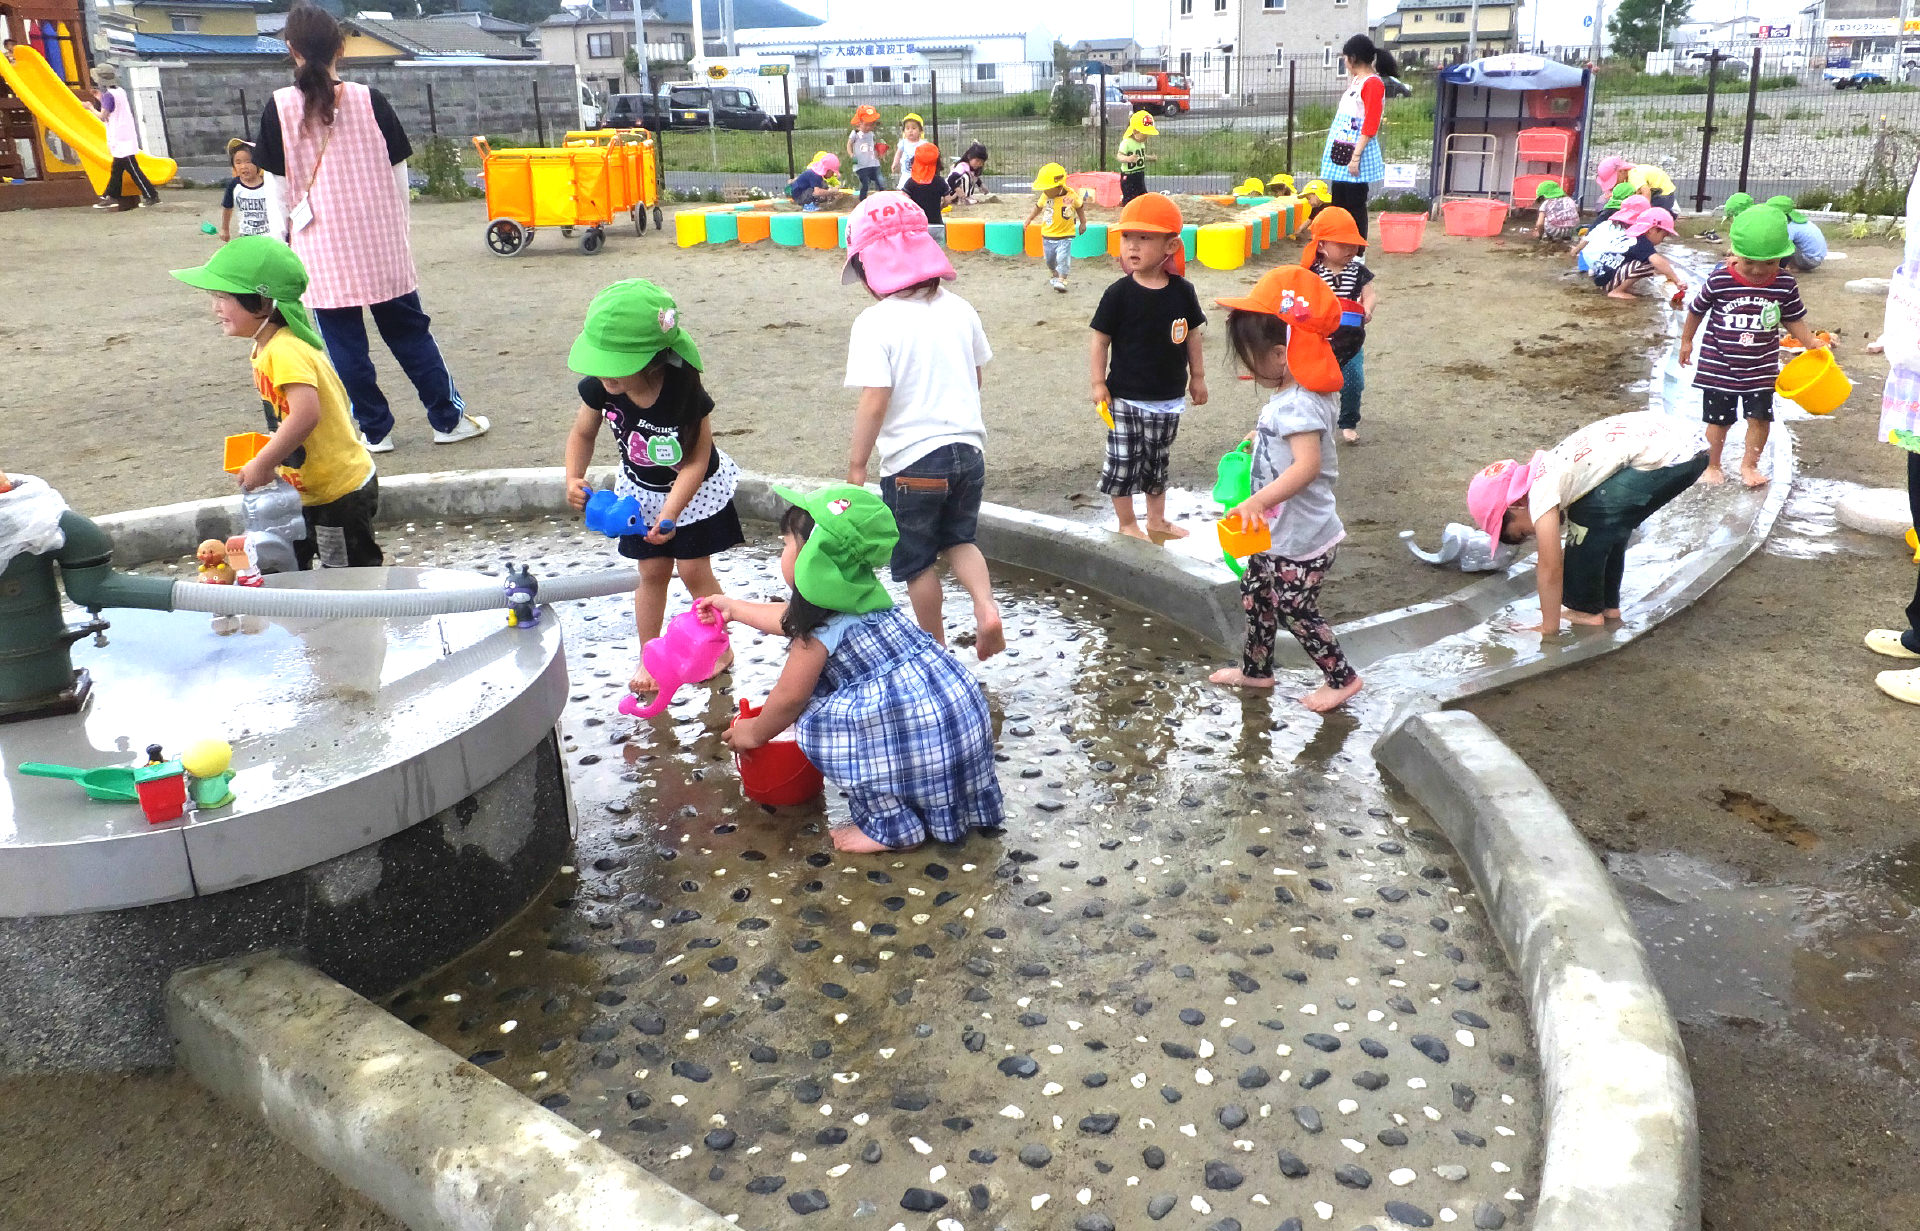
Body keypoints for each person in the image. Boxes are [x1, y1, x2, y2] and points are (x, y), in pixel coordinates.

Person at [706, 485, 1005, 853]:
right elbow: (788, 618)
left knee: (817, 721)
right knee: (896, 731)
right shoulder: (858, 592)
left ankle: (892, 827)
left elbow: (789, 697)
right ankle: (948, 808)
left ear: (813, 557)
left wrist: (754, 732)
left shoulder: (818, 627)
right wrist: (734, 607)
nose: (782, 553)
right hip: (959, 722)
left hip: (917, 733)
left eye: (786, 544)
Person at [252, 4, 485, 453]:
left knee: (343, 344)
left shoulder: (278, 109)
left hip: (319, 246)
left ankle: (374, 431)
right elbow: (399, 178)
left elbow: (276, 190)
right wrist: (399, 229)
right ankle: (447, 419)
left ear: (290, 49)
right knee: (411, 332)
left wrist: (283, 240)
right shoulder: (369, 99)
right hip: (380, 242)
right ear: (342, 46)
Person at [842, 191, 1004, 660]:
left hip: (912, 463)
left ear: (872, 269)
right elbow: (976, 378)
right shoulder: (960, 308)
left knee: (915, 563)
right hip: (969, 453)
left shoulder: (875, 323)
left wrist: (856, 466)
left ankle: (934, 649)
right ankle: (986, 607)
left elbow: (875, 400)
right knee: (960, 540)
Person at [564, 280, 743, 699]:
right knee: (652, 571)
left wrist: (671, 515)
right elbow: (581, 434)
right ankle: (649, 653)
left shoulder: (685, 392)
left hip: (693, 494)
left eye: (616, 361)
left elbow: (696, 461)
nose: (604, 371)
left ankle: (721, 646)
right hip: (640, 489)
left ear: (651, 359)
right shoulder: (600, 389)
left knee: (693, 569)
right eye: (600, 359)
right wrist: (574, 475)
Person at [171, 237, 381, 569]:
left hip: (337, 494)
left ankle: (358, 619)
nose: (215, 307)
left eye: (223, 297)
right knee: (294, 568)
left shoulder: (285, 350)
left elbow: (306, 415)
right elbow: (288, 416)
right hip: (310, 488)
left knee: (347, 577)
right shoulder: (265, 346)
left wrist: (264, 463)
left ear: (264, 303)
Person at [1208, 266, 1362, 713]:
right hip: (1276, 533)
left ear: (1280, 354)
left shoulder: (1297, 404)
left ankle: (1342, 678)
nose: (1244, 364)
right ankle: (1257, 671)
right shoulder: (1300, 397)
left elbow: (1308, 465)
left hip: (1302, 539)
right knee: (1256, 593)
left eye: (1248, 354)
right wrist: (1259, 439)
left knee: (1295, 608)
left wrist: (1258, 499)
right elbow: (1296, 439)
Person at [1469, 411, 1710, 633]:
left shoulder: (1540, 491)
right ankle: (1608, 606)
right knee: (1610, 522)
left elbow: (1549, 568)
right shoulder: (1554, 467)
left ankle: (1584, 610)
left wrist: (1547, 626)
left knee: (1586, 518)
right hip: (1689, 443)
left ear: (1516, 505)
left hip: (1674, 455)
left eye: (1522, 533)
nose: (1533, 537)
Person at [1089, 192, 1208, 541]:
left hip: (1168, 397)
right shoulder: (1118, 294)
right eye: (1127, 237)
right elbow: (1099, 339)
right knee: (1123, 461)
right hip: (1124, 396)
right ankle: (1127, 523)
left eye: (1144, 238)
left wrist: (1197, 377)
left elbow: (1193, 336)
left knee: (1157, 462)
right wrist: (1098, 383)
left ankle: (1157, 520)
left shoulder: (1183, 292)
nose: (1132, 246)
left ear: (1171, 245)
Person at [1679, 205, 1826, 487]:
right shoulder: (1720, 279)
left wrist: (1810, 342)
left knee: (1760, 418)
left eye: (1769, 263)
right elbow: (1697, 309)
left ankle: (1749, 465)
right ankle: (1712, 464)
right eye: (1750, 263)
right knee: (1718, 420)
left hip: (1761, 366)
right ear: (1735, 252)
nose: (1759, 270)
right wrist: (1686, 341)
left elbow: (1793, 318)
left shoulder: (1784, 284)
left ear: (1782, 257)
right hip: (1719, 365)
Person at [1320, 34, 1396, 238]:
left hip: (1356, 153)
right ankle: (1338, 245)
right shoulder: (1356, 80)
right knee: (1338, 203)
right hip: (1341, 150)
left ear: (1352, 58)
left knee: (1355, 205)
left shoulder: (1373, 83)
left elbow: (1371, 124)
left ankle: (1357, 252)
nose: (1344, 62)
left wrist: (1356, 156)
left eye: (1345, 58)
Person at [87, 64, 159, 209]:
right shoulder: (119, 91)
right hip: (125, 135)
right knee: (117, 169)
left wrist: (90, 107)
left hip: (120, 138)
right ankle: (111, 195)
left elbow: (103, 116)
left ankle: (151, 195)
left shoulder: (108, 95)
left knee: (132, 169)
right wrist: (99, 98)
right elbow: (113, 106)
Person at [1588, 206, 1685, 301]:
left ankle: (1619, 286)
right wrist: (1677, 280)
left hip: (1600, 276)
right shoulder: (1642, 242)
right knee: (1648, 265)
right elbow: (1657, 261)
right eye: (1663, 236)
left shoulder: (1629, 236)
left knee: (1647, 263)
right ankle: (1617, 291)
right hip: (1608, 282)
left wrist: (1667, 274)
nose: (1662, 241)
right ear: (1652, 230)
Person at [1026, 163, 1087, 293]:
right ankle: (1055, 273)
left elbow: (1080, 207)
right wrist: (1029, 219)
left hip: (1065, 234)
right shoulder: (1045, 196)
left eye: (1047, 188)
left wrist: (1083, 223)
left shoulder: (1071, 195)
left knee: (1062, 258)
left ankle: (1062, 280)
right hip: (1048, 235)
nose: (1045, 191)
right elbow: (1038, 207)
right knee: (1050, 260)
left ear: (1059, 186)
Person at [219, 139, 286, 242]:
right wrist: (224, 229)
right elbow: (227, 208)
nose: (244, 166)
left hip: (269, 237)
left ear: (258, 163)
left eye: (248, 161)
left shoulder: (268, 184)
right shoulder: (234, 185)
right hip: (246, 237)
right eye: (238, 162)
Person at [1764, 194, 1829, 272]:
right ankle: (1793, 266)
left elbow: (1782, 245)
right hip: (1816, 259)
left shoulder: (1789, 226)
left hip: (1808, 261)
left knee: (1782, 244)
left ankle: (1784, 267)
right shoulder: (1800, 222)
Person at [1596, 156, 1678, 213]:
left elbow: (1646, 193)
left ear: (1621, 171)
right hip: (1657, 191)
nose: (1614, 185)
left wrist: (1644, 213)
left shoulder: (1634, 175)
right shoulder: (1628, 172)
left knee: (1640, 213)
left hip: (1663, 196)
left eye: (1614, 182)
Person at [901, 143, 947, 229]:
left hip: (916, 223)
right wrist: (941, 207)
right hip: (935, 222)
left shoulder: (911, 182)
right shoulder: (940, 181)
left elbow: (904, 200)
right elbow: (948, 199)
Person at [1117, 110, 1157, 203]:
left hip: (1139, 174)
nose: (1146, 137)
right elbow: (1119, 156)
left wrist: (1150, 158)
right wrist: (1128, 159)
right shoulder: (1126, 142)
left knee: (1142, 195)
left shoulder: (1141, 143)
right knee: (1129, 198)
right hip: (1128, 175)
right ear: (1135, 131)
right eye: (1144, 135)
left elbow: (1141, 156)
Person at [847, 105, 883, 201]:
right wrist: (851, 154)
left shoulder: (871, 134)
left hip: (873, 163)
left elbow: (873, 146)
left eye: (871, 125)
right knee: (865, 183)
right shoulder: (855, 133)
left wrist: (878, 152)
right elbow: (849, 144)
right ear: (859, 123)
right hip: (861, 164)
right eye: (866, 124)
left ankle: (883, 200)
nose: (869, 127)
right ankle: (862, 201)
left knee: (880, 182)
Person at [891, 112, 926, 189]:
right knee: (902, 188)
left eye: (914, 128)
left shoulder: (923, 144)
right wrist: (895, 163)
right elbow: (898, 154)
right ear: (904, 131)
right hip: (906, 172)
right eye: (907, 128)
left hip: (919, 173)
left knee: (918, 189)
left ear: (920, 131)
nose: (910, 131)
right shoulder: (903, 142)